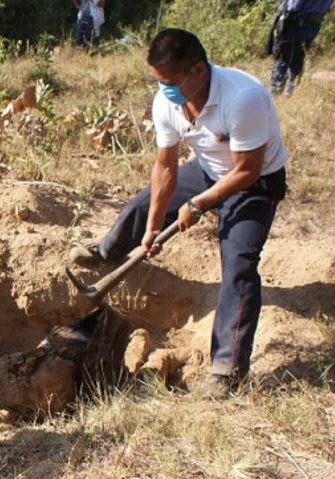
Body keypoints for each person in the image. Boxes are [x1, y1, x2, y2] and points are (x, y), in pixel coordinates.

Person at [69, 29, 288, 399]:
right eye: (158, 81)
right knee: (141, 205)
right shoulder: (166, 102)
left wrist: (198, 204)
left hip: (256, 182)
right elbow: (166, 168)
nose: (163, 90)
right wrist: (154, 226)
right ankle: (108, 251)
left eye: (169, 82)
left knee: (239, 263)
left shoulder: (243, 98)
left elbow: (247, 170)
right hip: (208, 169)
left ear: (198, 71)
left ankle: (227, 370)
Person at [269, 0, 333, 96]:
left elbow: (295, 5)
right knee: (298, 55)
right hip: (315, 20)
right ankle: (289, 90)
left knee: (285, 54)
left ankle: (276, 93)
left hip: (296, 18)